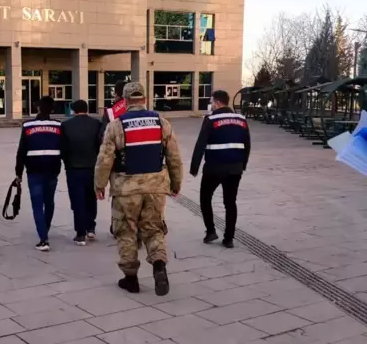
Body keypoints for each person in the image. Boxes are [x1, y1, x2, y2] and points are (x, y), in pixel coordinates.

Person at [95, 82, 182, 296]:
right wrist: (176, 183)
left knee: (126, 231)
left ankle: (131, 279)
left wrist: (99, 184)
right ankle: (159, 264)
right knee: (153, 228)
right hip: (156, 187)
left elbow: (105, 158)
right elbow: (174, 157)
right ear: (144, 98)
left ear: (124, 101)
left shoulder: (116, 125)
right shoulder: (161, 122)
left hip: (126, 188)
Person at [190, 90, 251, 249]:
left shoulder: (211, 119)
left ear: (217, 103)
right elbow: (247, 145)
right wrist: (243, 164)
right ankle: (228, 238)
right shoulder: (241, 119)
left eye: (212, 101)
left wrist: (194, 167)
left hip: (214, 168)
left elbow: (200, 144)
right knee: (230, 202)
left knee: (205, 198)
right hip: (234, 168)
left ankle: (211, 231)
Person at [14, 96, 61, 252]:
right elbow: (64, 148)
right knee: (49, 202)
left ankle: (43, 238)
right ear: (52, 110)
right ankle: (44, 229)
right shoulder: (58, 125)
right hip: (53, 168)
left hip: (34, 170)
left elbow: (21, 151)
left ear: (38, 108)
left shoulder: (28, 125)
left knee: (37, 204)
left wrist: (18, 173)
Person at [61, 99, 102, 245]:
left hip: (73, 168)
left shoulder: (65, 125)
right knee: (91, 198)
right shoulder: (96, 124)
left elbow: (63, 148)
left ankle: (80, 233)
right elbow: (100, 146)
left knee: (77, 200)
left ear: (73, 110)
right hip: (92, 167)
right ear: (87, 109)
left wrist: (66, 161)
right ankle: (91, 227)